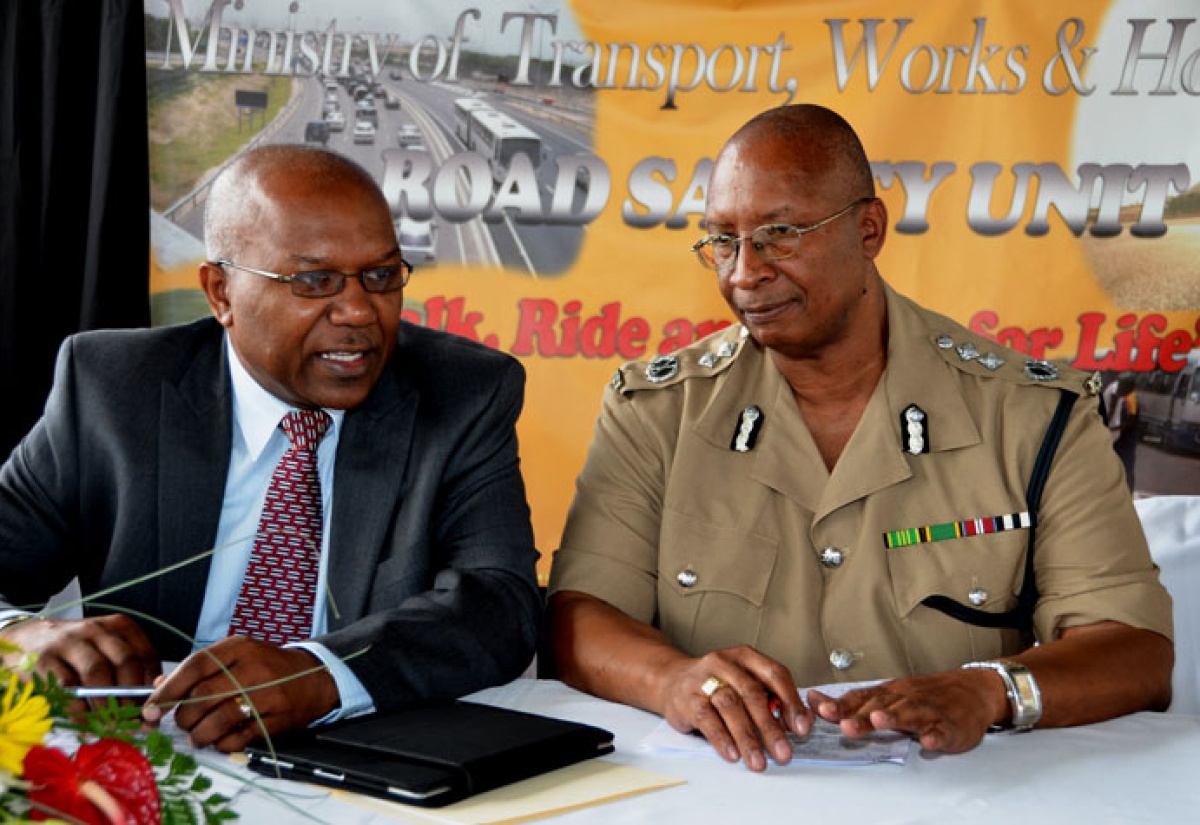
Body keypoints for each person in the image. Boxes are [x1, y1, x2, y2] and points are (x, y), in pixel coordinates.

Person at [547, 104, 1173, 771]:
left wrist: (989, 689)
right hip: (726, 797)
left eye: (779, 234)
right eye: (723, 241)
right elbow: (580, 616)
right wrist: (671, 680)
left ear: (867, 229)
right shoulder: (658, 410)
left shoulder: (1030, 415)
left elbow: (1133, 648)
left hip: (965, 799)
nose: (743, 273)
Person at [0, 145, 541, 753]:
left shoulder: (462, 394)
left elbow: (499, 603)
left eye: (382, 275)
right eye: (314, 281)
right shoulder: (111, 387)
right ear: (221, 293)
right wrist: (18, 636)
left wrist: (322, 674)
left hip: (356, 752)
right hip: (153, 752)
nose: (361, 311)